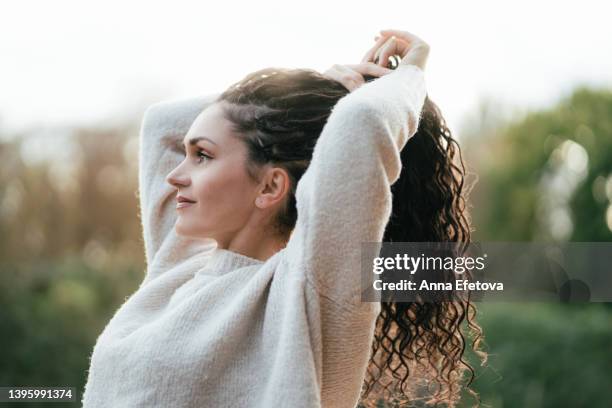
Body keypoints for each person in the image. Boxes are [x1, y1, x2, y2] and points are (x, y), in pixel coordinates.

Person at [82, 29, 484, 407]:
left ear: (270, 188)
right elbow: (160, 124)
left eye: (202, 155)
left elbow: (360, 125)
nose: (174, 176)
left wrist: (412, 75)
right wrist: (309, 90)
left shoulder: (309, 288)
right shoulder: (179, 269)